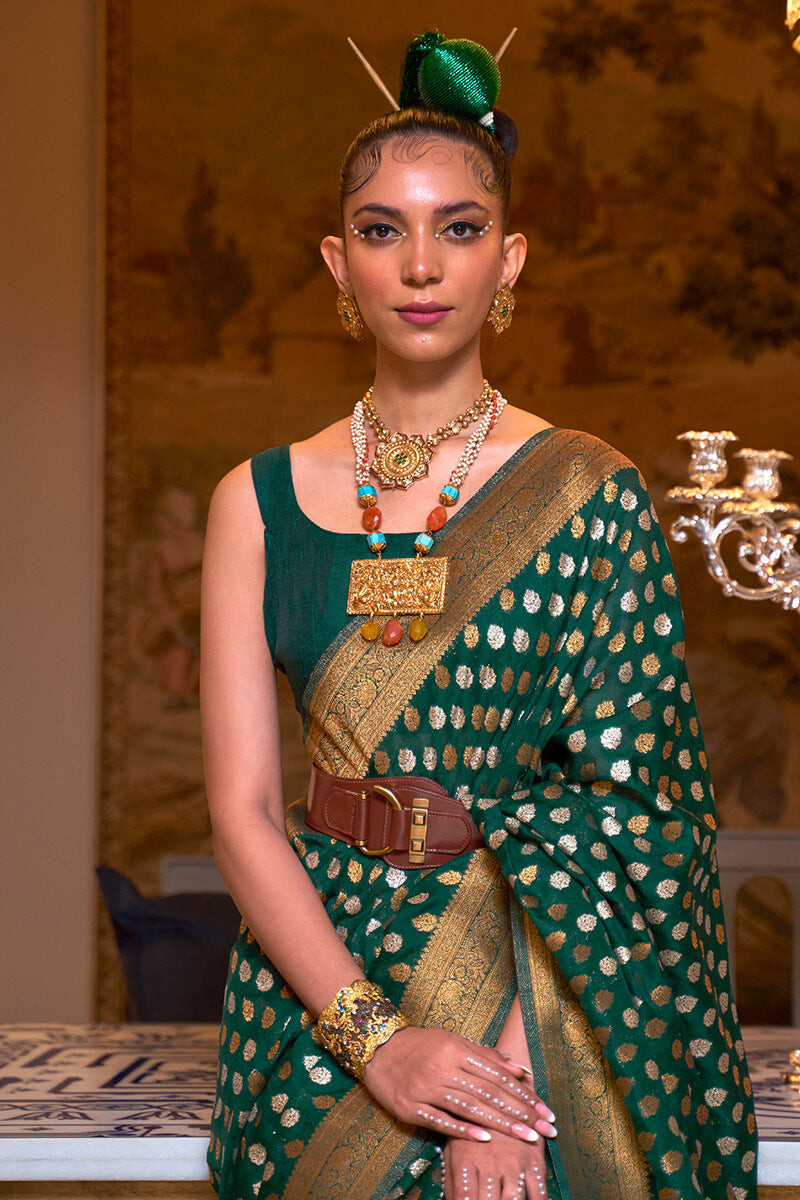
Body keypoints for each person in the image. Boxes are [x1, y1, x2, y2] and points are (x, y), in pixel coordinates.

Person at [201, 30, 757, 1200]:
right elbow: (243, 812)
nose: (419, 266)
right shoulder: (254, 502)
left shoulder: (585, 491)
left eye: (456, 229)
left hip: (545, 982)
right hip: (321, 986)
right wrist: (375, 1039)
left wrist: (510, 1083)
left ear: (508, 261)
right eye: (380, 231)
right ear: (335, 262)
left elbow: (630, 816)